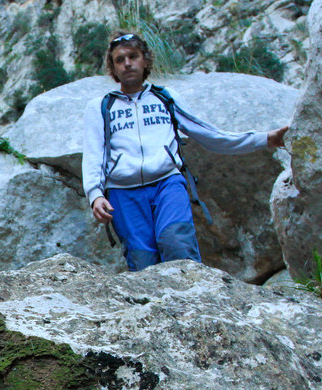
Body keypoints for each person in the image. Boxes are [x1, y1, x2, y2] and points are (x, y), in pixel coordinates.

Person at [82, 30, 290, 272]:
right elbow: (93, 153)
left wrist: (266, 139)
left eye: (133, 56)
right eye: (119, 59)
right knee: (142, 263)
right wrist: (95, 194)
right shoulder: (100, 107)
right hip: (123, 193)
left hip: (166, 184)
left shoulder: (166, 98)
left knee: (178, 246)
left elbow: (211, 136)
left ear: (146, 60)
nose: (127, 63)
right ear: (113, 68)